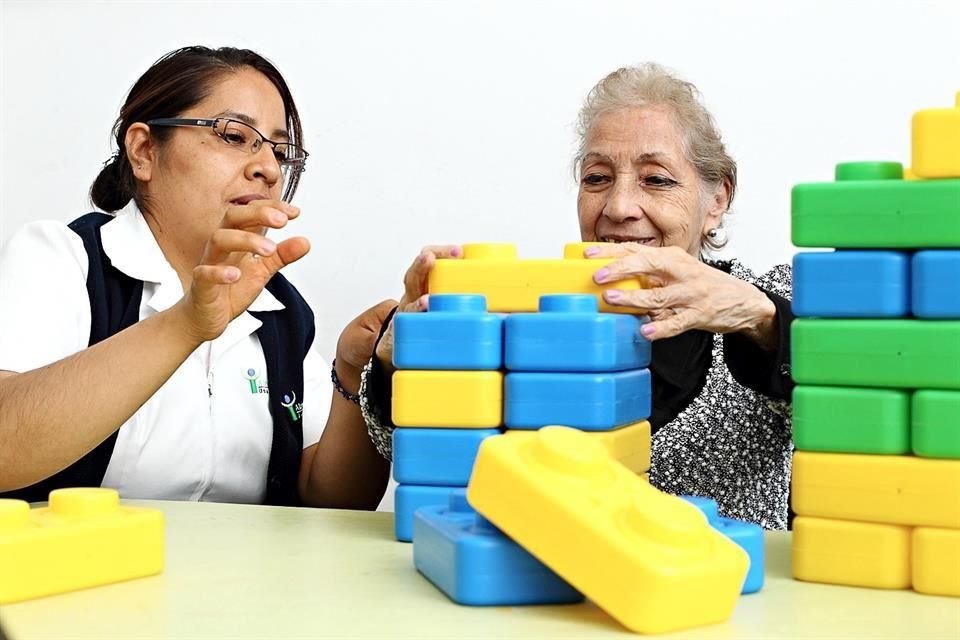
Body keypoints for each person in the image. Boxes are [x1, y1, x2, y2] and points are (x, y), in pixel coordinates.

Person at [362, 63, 794, 529]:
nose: (619, 207)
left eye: (656, 179)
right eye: (597, 178)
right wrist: (399, 363)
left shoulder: (771, 300)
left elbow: (854, 398)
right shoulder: (528, 318)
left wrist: (761, 319)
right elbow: (426, 459)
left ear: (717, 199)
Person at [0, 46, 396, 509]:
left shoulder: (282, 310)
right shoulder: (62, 258)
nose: (268, 168)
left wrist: (355, 373)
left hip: (233, 582)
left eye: (281, 151)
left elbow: (326, 505)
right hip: (70, 576)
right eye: (233, 135)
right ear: (145, 151)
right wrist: (188, 322)